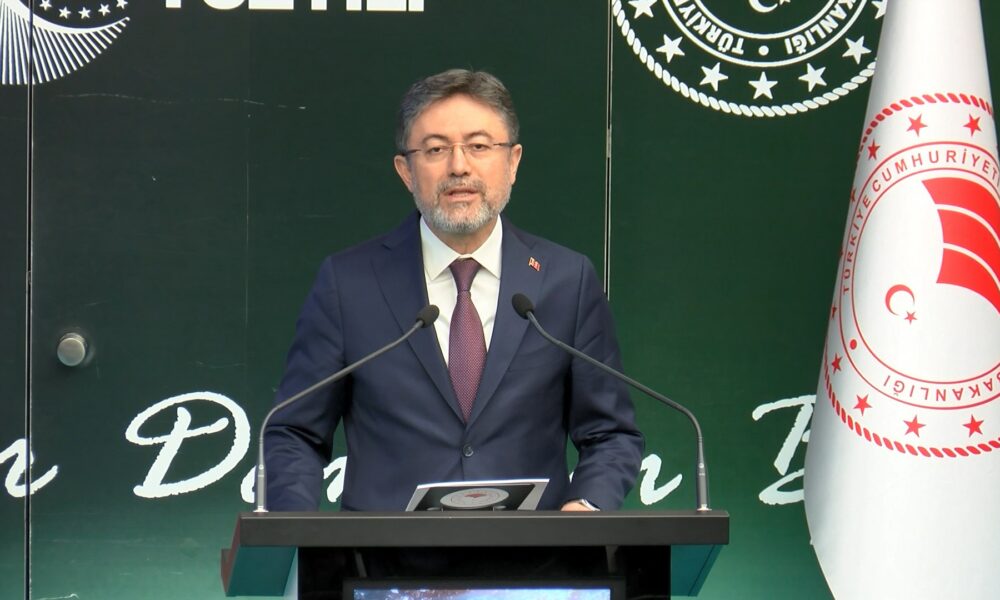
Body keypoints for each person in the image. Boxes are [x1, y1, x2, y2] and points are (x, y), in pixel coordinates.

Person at [264, 69, 643, 513]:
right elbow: (294, 432)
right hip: (384, 554)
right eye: (436, 149)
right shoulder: (349, 283)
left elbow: (611, 434)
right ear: (406, 171)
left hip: (532, 554)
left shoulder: (566, 280)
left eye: (479, 146)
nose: (459, 166)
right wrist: (301, 531)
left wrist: (587, 507)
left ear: (513, 161)